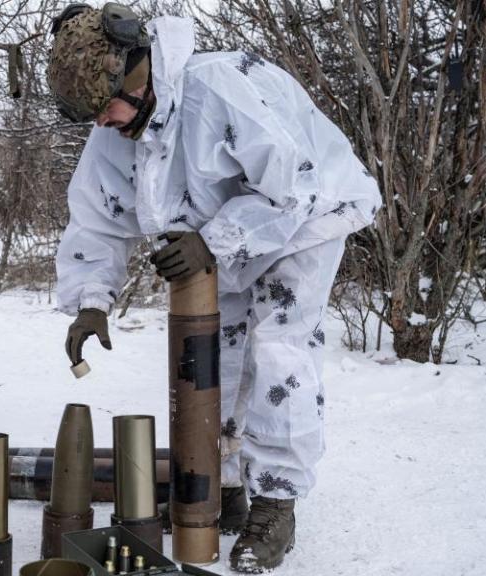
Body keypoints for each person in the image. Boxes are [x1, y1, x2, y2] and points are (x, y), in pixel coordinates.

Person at [48, 4, 381, 571]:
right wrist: (91, 302)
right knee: (212, 359)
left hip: (308, 218)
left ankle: (276, 501)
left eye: (104, 108)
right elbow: (96, 220)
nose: (101, 122)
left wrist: (214, 242)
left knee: (279, 348)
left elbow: (290, 189)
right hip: (223, 233)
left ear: (136, 72)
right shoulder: (118, 126)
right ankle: (222, 484)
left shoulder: (217, 90)